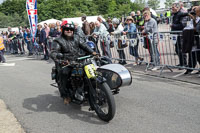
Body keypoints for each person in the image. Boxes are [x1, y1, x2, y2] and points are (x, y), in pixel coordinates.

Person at [50, 22, 96, 104]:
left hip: (78, 60)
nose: (69, 31)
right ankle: (65, 95)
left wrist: (93, 52)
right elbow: (54, 53)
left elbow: (84, 46)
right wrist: (61, 61)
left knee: (91, 72)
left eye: (71, 29)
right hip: (66, 62)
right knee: (64, 74)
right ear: (63, 30)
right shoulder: (58, 41)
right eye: (67, 29)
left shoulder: (77, 38)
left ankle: (92, 89)